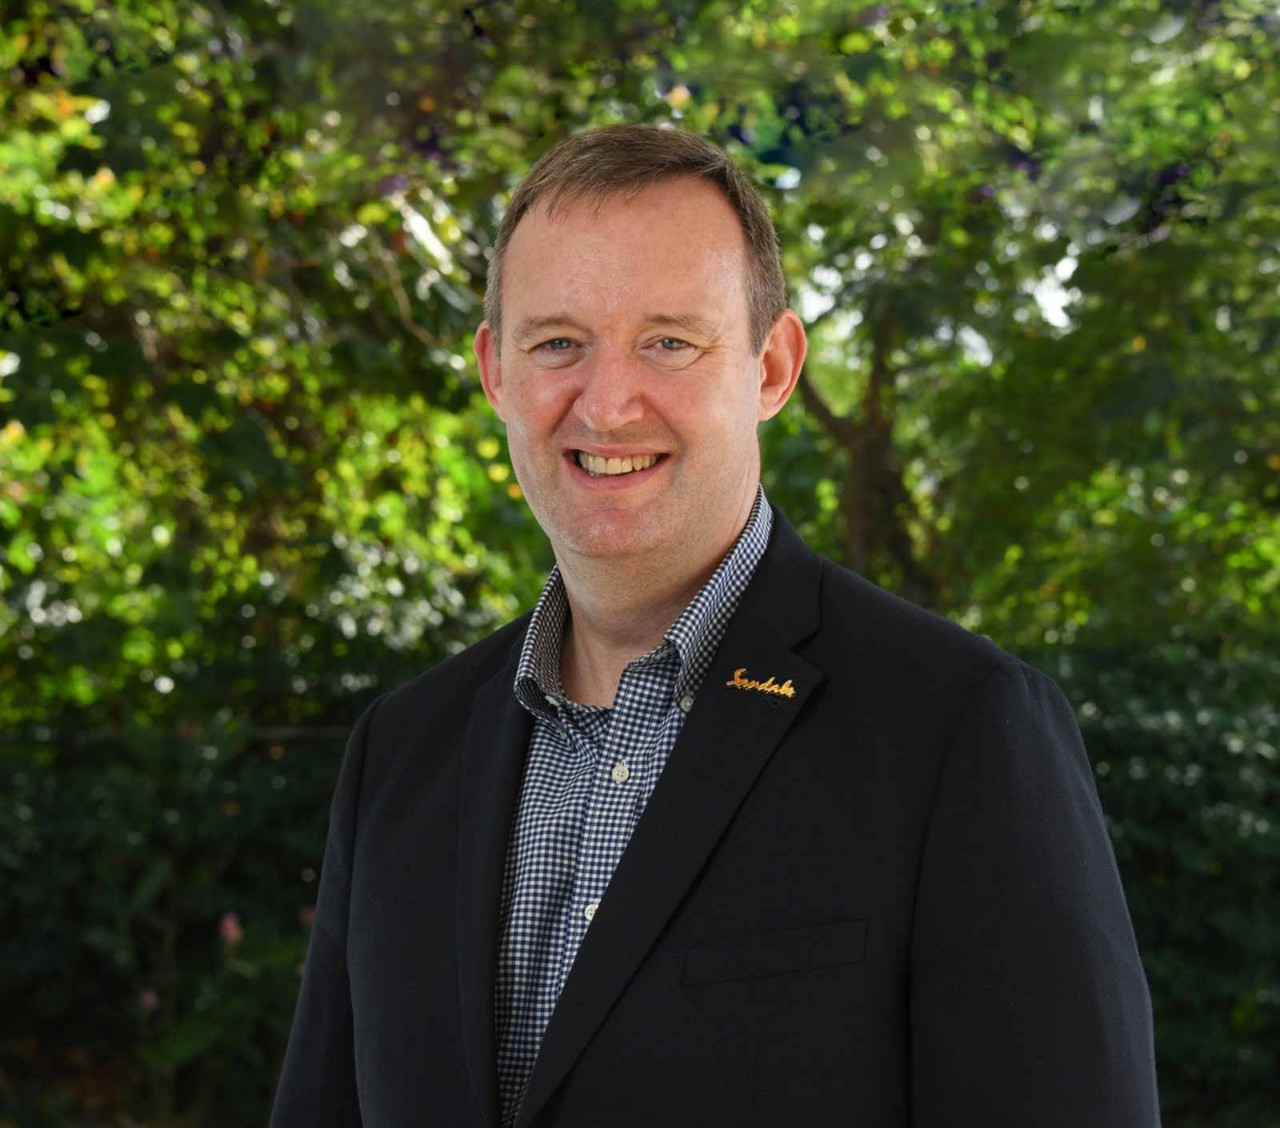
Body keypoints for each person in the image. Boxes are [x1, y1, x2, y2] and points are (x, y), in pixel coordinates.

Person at [270, 124, 1160, 1127]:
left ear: (771, 367)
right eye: (557, 343)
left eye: (669, 342)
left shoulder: (957, 728)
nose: (607, 405)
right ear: (496, 373)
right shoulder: (400, 754)